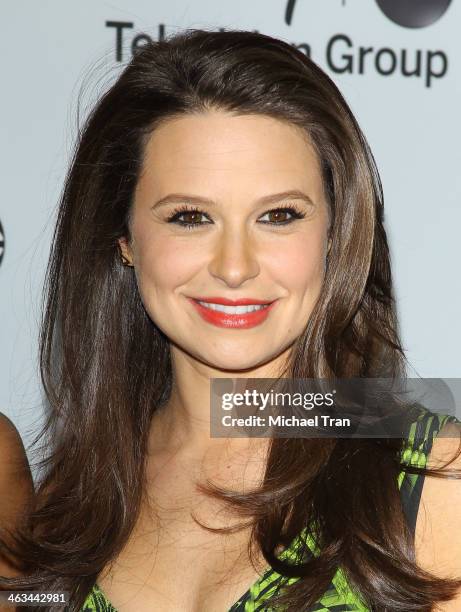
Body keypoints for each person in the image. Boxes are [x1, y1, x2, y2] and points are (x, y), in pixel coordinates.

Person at [0, 29, 460, 611]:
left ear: (335, 235)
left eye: (278, 215)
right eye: (190, 217)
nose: (235, 267)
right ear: (124, 238)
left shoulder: (435, 481)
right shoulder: (71, 500)